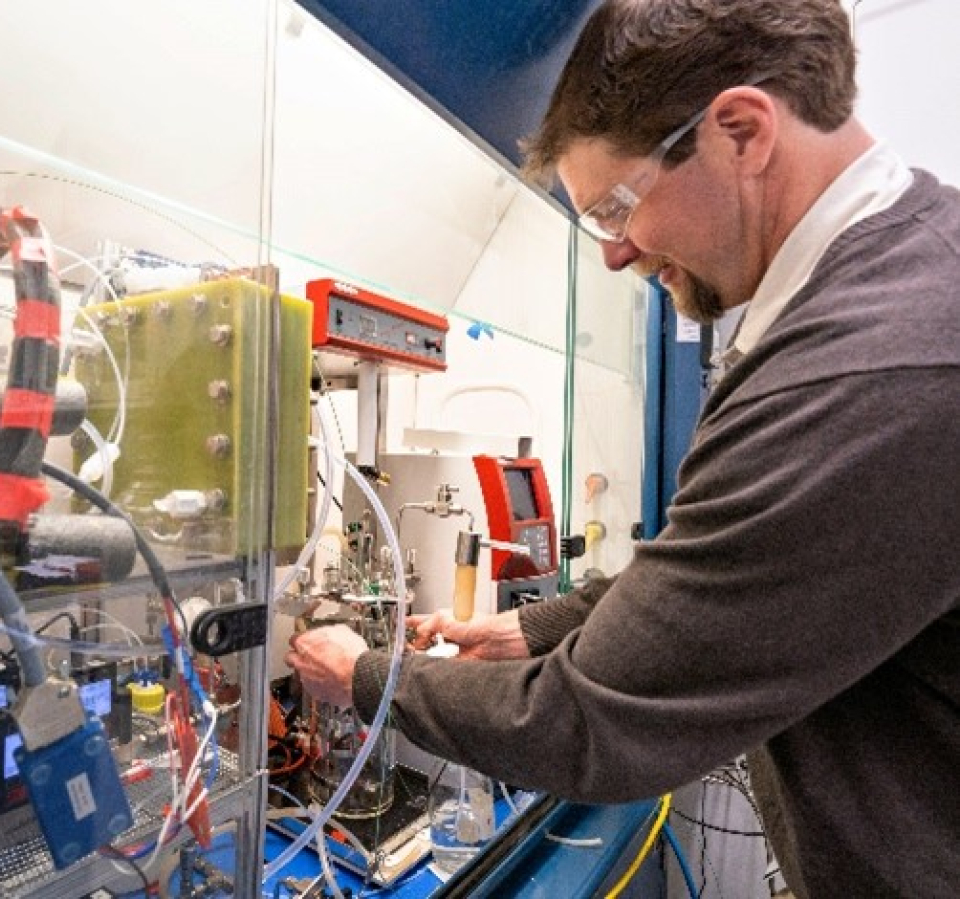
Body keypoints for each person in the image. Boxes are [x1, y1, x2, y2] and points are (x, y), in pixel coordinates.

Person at [285, 1, 960, 896]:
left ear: (742, 132)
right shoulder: (904, 271)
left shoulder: (868, 364)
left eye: (616, 208)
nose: (613, 255)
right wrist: (528, 624)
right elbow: (730, 570)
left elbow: (589, 722)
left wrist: (367, 675)